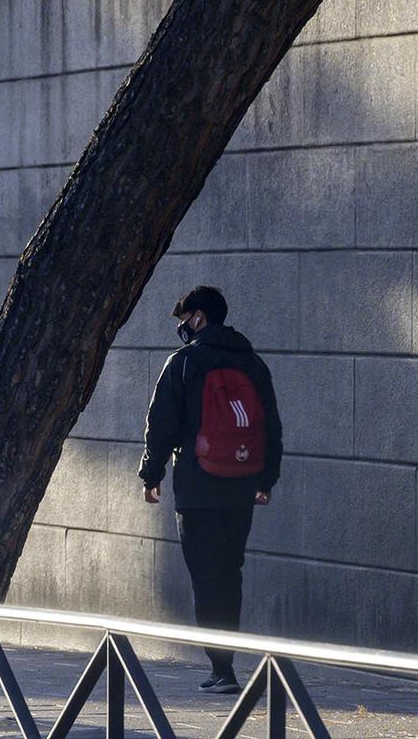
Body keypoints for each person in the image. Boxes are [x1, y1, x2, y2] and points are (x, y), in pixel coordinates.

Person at [139, 286, 282, 694]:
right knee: (229, 573)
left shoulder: (184, 363)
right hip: (241, 484)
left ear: (198, 317)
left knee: (206, 577)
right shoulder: (253, 363)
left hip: (198, 485)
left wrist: (151, 475)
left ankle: (222, 669)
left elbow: (162, 423)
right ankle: (227, 661)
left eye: (184, 320)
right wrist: (265, 479)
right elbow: (271, 426)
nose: (182, 328)